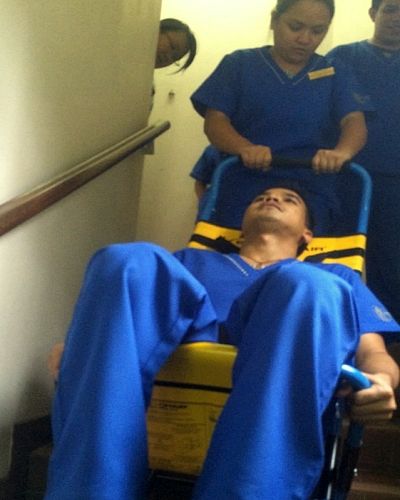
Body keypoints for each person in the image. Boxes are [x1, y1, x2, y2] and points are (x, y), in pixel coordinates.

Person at [45, 184, 399, 499]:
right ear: (241, 225)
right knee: (124, 261)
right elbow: (130, 317)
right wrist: (83, 348)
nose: (272, 198)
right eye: (262, 197)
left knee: (307, 286)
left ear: (308, 233)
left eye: (289, 199)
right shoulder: (189, 261)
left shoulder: (335, 276)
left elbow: (374, 353)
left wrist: (383, 380)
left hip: (280, 351)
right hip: (192, 344)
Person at [190, 0, 367, 233]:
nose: (305, 39)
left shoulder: (336, 73)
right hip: (242, 180)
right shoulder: (239, 64)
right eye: (295, 27)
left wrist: (342, 152)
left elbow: (354, 121)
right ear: (274, 20)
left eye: (317, 31)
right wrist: (245, 148)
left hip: (310, 187)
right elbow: (215, 121)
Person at [327, 0, 400, 324]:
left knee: (393, 266)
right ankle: (336, 333)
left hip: (396, 183)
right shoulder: (342, 57)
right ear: (373, 13)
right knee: (336, 259)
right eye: (391, 9)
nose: (398, 18)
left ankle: (390, 342)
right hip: (345, 176)